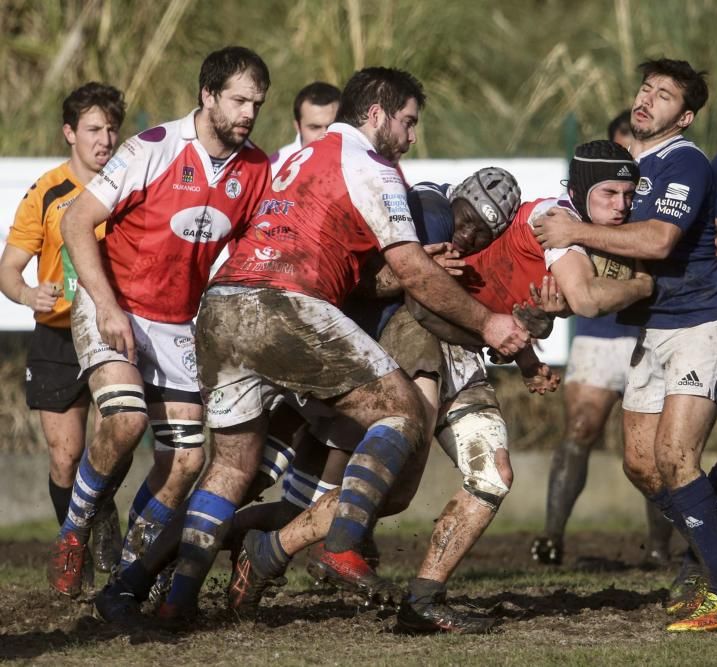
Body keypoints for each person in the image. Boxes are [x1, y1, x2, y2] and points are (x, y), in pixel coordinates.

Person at [99, 65, 530, 622]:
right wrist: (492, 324)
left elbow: (362, 268)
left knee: (234, 469)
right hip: (287, 311)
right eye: (407, 122)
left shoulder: (302, 157)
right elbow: (412, 275)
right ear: (376, 114)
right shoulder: (373, 166)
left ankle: (152, 596)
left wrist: (413, 273)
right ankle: (345, 545)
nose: (411, 138)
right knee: (401, 414)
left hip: (224, 307)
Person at [229, 142, 653, 634]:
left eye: (628, 193)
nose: (620, 206)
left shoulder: (579, 239)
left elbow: (516, 316)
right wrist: (644, 287)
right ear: (579, 191)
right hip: (421, 337)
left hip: (465, 353)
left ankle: (419, 595)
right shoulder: (557, 223)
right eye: (609, 193)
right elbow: (587, 299)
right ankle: (273, 546)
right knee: (393, 485)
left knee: (490, 475)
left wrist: (532, 338)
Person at [533, 59, 717, 632]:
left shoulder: (685, 162)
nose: (647, 100)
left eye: (664, 95)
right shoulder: (634, 166)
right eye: (645, 89)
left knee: (677, 459)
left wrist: (575, 232)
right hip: (654, 331)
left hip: (703, 326)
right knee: (639, 463)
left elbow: (657, 242)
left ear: (685, 116)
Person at [49, 46, 272, 600]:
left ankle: (127, 576)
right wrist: (103, 305)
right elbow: (77, 222)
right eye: (239, 100)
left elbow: (250, 253)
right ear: (208, 95)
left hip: (177, 323)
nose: (247, 113)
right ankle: (75, 529)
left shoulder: (256, 168)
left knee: (187, 460)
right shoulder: (153, 148)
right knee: (124, 424)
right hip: (116, 300)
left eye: (257, 103)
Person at [530, 117, 673, 570]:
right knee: (581, 427)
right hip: (599, 336)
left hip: (648, 334)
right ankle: (551, 537)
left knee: (653, 450)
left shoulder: (657, 197)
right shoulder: (569, 213)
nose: (621, 199)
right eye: (610, 188)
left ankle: (659, 548)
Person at [0, 82, 127, 574]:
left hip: (114, 331)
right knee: (65, 456)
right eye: (94, 129)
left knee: (112, 445)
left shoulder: (130, 185)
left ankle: (109, 543)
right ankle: (77, 548)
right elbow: (8, 268)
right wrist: (29, 294)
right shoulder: (47, 191)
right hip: (57, 335)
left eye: (113, 129)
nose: (105, 139)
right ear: (70, 133)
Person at [269, 81, 341, 176]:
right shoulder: (274, 170)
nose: (325, 135)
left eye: (332, 126)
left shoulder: (360, 160)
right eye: (314, 127)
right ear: (298, 127)